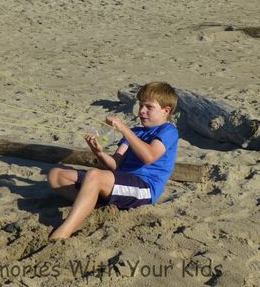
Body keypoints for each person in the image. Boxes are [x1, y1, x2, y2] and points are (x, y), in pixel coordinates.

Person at [47, 82, 179, 239]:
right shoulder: (135, 132)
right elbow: (115, 164)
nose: (142, 111)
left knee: (94, 176)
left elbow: (149, 157)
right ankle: (94, 206)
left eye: (149, 107)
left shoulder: (168, 130)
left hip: (145, 188)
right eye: (141, 106)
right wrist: (99, 153)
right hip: (121, 181)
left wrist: (124, 129)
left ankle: (64, 231)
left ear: (166, 111)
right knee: (56, 175)